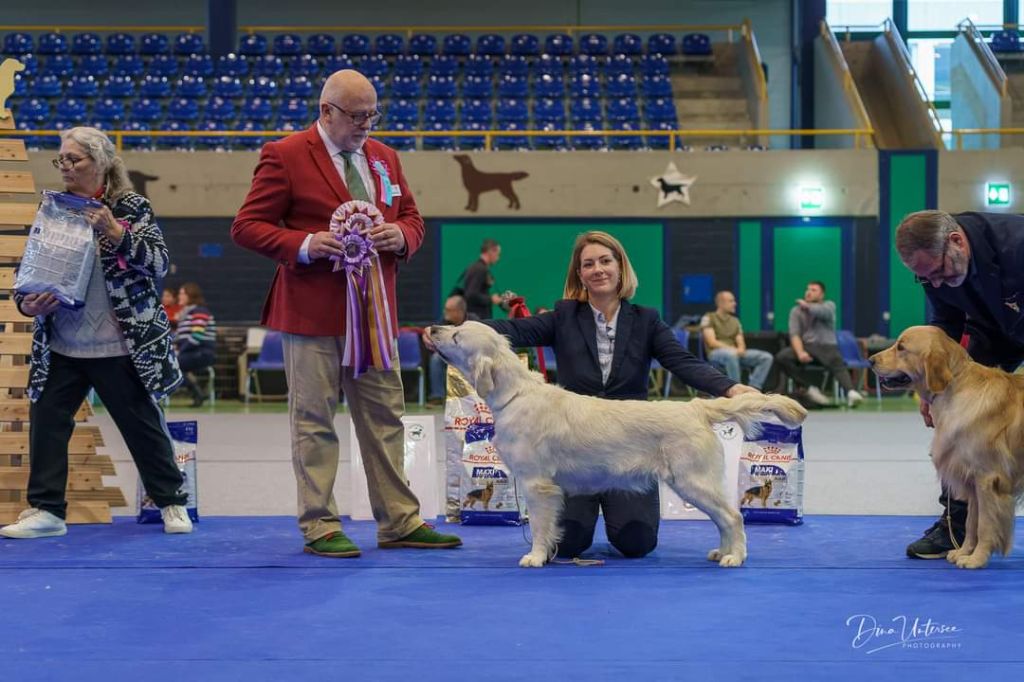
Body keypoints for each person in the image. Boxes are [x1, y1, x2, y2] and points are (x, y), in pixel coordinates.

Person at [231, 69, 461, 558]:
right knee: (313, 421)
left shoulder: (384, 158)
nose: (366, 125)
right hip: (310, 318)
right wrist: (307, 243)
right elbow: (247, 226)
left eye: (372, 115)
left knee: (386, 418)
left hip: (375, 318)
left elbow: (413, 218)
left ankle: (400, 520)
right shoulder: (285, 155)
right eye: (357, 116)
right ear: (326, 112)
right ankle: (319, 524)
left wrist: (403, 237)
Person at [469, 231, 756, 559]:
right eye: (588, 264)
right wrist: (453, 333)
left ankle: (733, 537)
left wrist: (729, 388)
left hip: (631, 444)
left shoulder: (646, 320)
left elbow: (683, 362)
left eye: (606, 261)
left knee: (637, 543)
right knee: (567, 545)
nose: (598, 269)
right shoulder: (563, 316)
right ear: (580, 275)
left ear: (620, 267)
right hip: (576, 451)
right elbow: (515, 331)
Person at [0, 126, 191, 539]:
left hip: (120, 342)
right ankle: (47, 511)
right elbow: (28, 274)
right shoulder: (52, 209)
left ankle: (172, 501)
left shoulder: (131, 206)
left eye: (74, 159)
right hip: (62, 344)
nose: (66, 167)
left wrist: (116, 232)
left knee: (141, 424)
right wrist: (26, 302)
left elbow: (157, 264)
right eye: (62, 160)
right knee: (47, 421)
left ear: (101, 162)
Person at [895, 210, 1024, 559]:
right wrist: (934, 388)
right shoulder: (934, 272)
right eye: (925, 279)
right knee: (959, 429)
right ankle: (956, 526)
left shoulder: (1017, 244)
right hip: (994, 333)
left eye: (937, 271)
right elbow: (947, 324)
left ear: (956, 241)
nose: (935, 283)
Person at [774, 281, 864, 408]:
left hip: (826, 347)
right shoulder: (796, 311)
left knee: (836, 360)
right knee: (782, 357)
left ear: (821, 295)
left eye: (813, 290)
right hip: (807, 347)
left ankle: (851, 393)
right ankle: (808, 388)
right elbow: (794, 334)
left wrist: (807, 306)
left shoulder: (829, 306)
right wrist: (800, 353)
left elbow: (823, 312)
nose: (809, 292)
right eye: (807, 289)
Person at [700, 290, 774, 390]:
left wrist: (741, 349)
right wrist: (733, 350)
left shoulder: (735, 321)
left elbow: (740, 342)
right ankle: (736, 390)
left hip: (734, 353)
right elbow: (712, 342)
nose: (735, 304)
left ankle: (753, 389)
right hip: (716, 353)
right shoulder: (709, 317)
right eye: (731, 301)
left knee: (766, 357)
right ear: (721, 303)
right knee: (731, 355)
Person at [174, 282, 217, 407]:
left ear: (191, 295)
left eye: (182, 293)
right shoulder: (186, 314)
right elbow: (182, 338)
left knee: (171, 365)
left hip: (202, 353)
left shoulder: (199, 311)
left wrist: (181, 351)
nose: (179, 296)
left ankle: (197, 393)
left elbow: (196, 337)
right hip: (193, 352)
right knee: (171, 364)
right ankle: (198, 393)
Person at [427, 294, 476, 403]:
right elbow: (436, 341)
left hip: (470, 355)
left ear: (459, 311)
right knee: (435, 359)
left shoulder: (474, 321)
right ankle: (437, 396)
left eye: (448, 310)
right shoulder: (443, 323)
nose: (445, 312)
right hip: (451, 355)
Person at [460, 238, 503, 320]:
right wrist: (491, 299)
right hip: (478, 320)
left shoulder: (477, 267)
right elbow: (470, 295)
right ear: (490, 252)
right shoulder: (479, 269)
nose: (498, 258)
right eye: (497, 254)